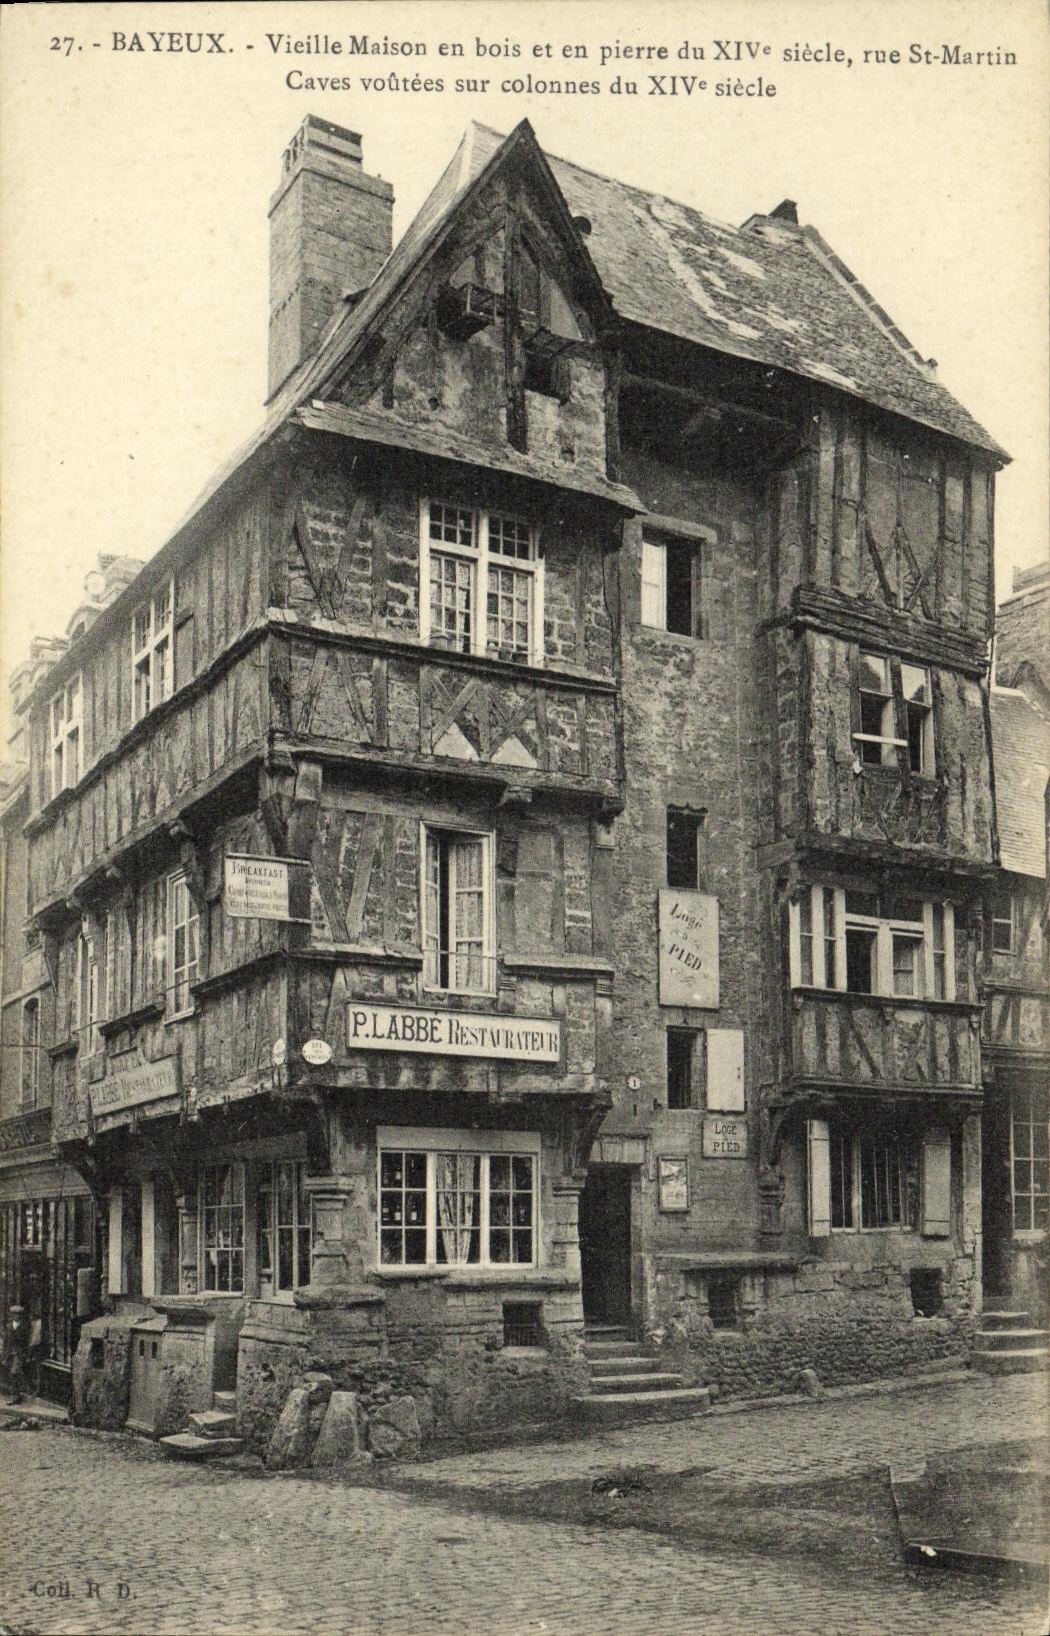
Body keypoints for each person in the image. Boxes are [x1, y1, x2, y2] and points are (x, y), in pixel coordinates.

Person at [4, 1305, 29, 1405]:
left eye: (18, 1314)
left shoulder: (24, 1326)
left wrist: (25, 1353)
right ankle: (16, 1394)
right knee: (12, 1374)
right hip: (10, 1354)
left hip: (20, 1354)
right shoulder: (9, 1326)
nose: (16, 1316)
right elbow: (6, 1342)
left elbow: (26, 1341)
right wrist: (4, 1356)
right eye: (14, 1314)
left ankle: (16, 1396)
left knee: (14, 1373)